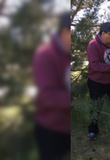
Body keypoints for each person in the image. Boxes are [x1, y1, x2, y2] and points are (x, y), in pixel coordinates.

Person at [33, 12, 71, 160]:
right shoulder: (45, 55)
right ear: (63, 31)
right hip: (51, 128)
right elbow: (47, 95)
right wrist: (72, 100)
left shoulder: (68, 53)